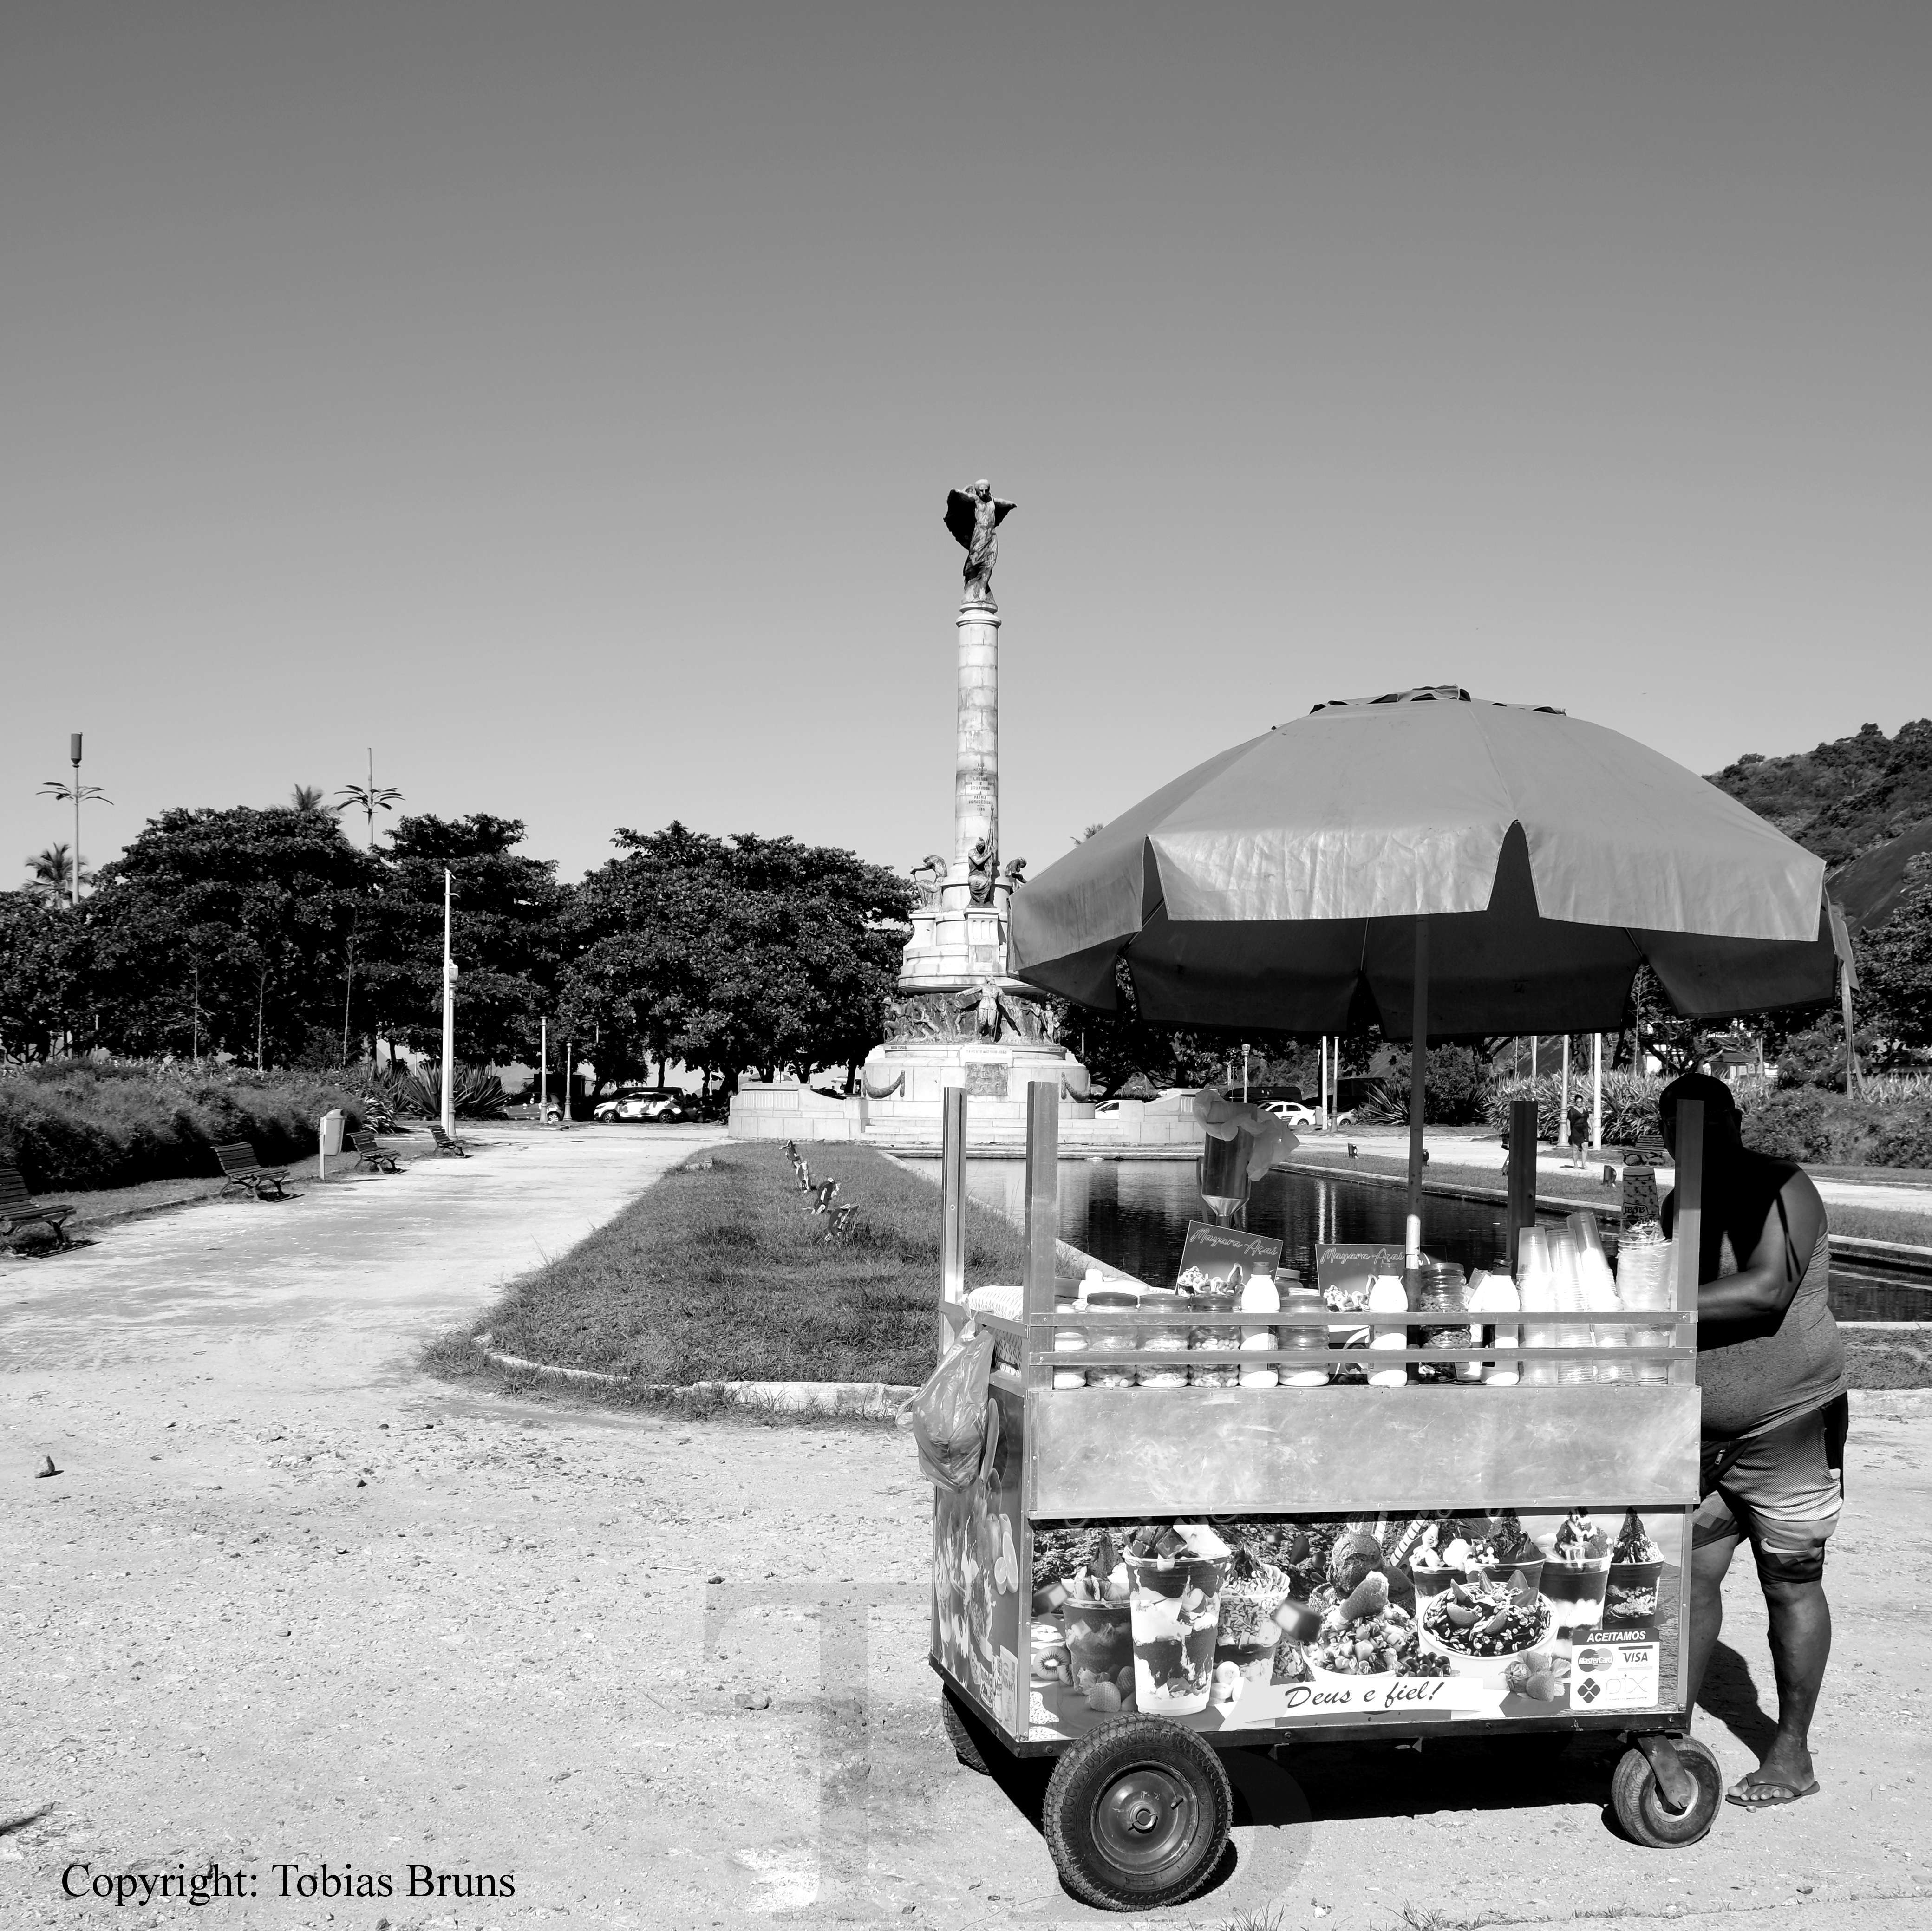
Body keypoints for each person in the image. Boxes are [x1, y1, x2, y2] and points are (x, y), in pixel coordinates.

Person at [1640, 1073, 1845, 1814]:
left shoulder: (1784, 1186)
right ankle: (1670, 1728)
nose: (1689, 1135)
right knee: (1689, 1578)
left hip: (1789, 1424)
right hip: (1703, 1433)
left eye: (1704, 1119)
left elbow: (1766, 1289)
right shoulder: (1678, 1205)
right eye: (1674, 1122)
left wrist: (1647, 1295)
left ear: (1734, 1118)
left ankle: (1792, 1750)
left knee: (1790, 1580)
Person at [1566, 1100, 1590, 1169]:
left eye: (1581, 1102)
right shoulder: (1572, 1110)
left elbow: (1587, 1118)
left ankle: (1583, 1164)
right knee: (1576, 1148)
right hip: (1576, 1130)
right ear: (1575, 1102)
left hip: (1584, 1130)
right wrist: (1569, 1130)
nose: (1579, 1103)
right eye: (1578, 1102)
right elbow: (1568, 1120)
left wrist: (1590, 1126)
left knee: (1585, 1146)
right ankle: (1576, 1165)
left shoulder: (1585, 1109)